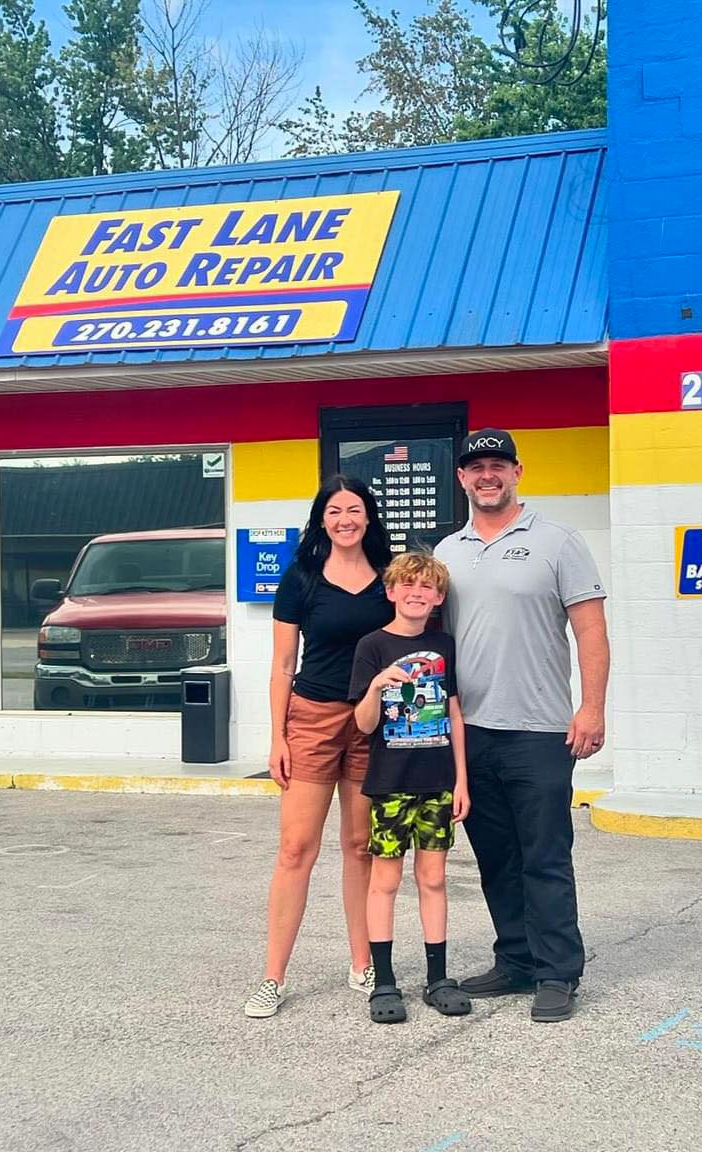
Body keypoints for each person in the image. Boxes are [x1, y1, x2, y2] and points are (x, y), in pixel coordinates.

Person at [433, 428, 610, 1023]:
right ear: (461, 477)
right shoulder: (447, 552)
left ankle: (559, 971)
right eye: (476, 467)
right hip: (471, 733)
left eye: (498, 465)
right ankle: (516, 959)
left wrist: (591, 707)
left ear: (518, 472)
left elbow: (590, 630)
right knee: (496, 857)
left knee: (546, 856)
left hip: (540, 730)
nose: (487, 475)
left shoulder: (558, 542)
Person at [244, 475, 394, 1019]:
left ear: (369, 517)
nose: (345, 520)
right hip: (311, 720)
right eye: (334, 511)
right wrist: (277, 736)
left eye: (354, 510)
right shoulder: (302, 578)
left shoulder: (389, 578)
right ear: (321, 519)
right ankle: (272, 977)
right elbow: (283, 665)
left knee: (360, 846)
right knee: (295, 849)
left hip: (372, 720)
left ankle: (363, 962)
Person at [349, 552, 471, 1024]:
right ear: (392, 591)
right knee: (385, 880)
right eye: (409, 585)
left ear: (438, 597)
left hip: (438, 780)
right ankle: (383, 981)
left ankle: (437, 977)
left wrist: (462, 779)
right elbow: (362, 725)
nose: (417, 593)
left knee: (434, 878)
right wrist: (377, 686)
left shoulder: (445, 645)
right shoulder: (372, 646)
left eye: (428, 587)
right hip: (391, 784)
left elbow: (455, 714)